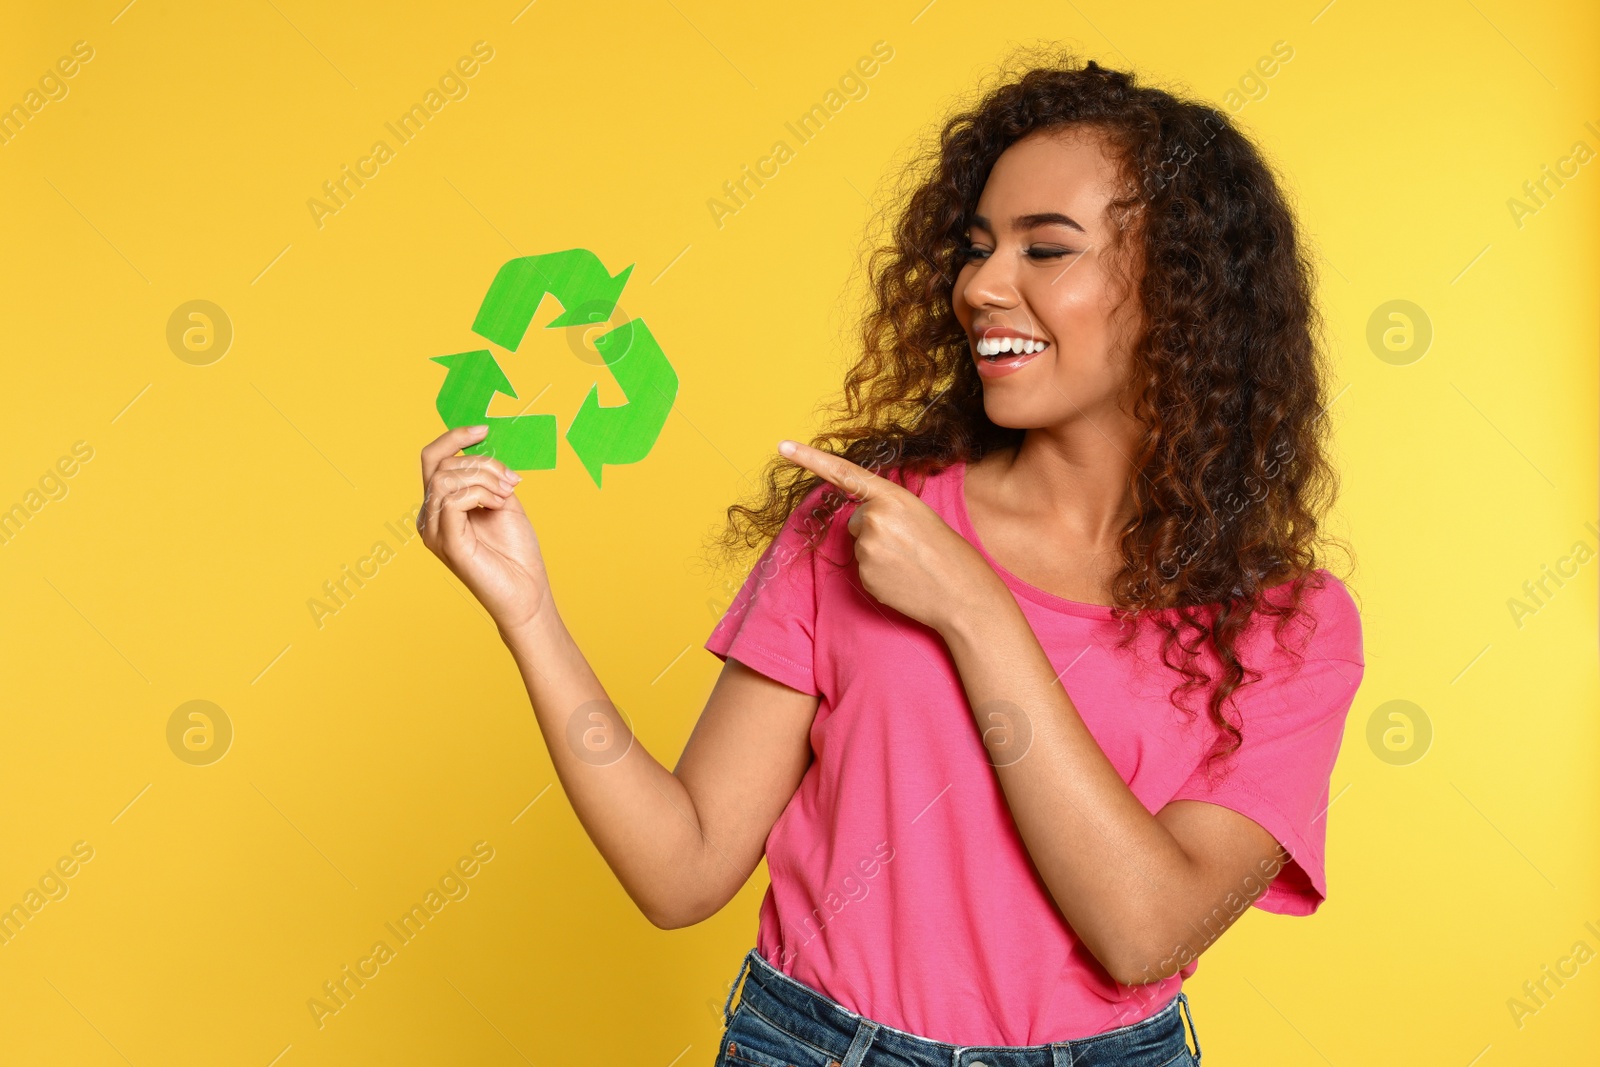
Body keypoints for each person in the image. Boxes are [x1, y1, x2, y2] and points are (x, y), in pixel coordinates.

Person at [417, 50, 1364, 1067]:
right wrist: (528, 612)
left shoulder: (1284, 623)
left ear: (1179, 291)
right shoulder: (862, 522)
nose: (982, 287)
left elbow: (1144, 930)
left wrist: (973, 608)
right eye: (976, 246)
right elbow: (681, 868)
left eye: (1045, 249)